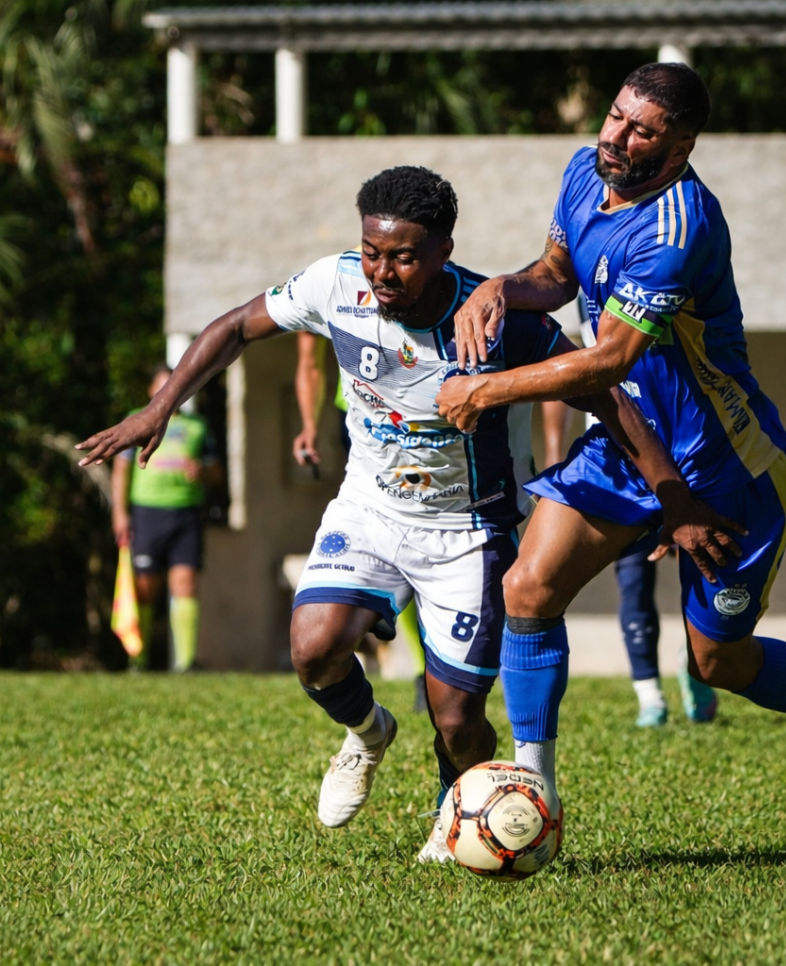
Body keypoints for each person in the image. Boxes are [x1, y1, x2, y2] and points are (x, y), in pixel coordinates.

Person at [78, 165, 686, 860]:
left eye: (403, 256)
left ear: (442, 252)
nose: (382, 271)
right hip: (368, 510)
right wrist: (160, 407)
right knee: (312, 648)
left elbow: (605, 394)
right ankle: (368, 732)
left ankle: (453, 812)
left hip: (467, 532)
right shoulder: (335, 283)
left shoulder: (498, 323)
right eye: (373, 251)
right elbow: (234, 328)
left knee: (456, 717)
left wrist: (674, 499)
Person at [436, 62, 786, 803]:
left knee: (717, 663)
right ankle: (532, 795)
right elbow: (557, 270)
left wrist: (487, 390)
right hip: (624, 446)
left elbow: (607, 358)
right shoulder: (583, 169)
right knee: (529, 587)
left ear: (680, 148)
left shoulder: (682, 224)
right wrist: (501, 288)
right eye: (615, 116)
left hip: (723, 468)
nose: (616, 136)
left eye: (642, 131)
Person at [541, 323, 717, 729]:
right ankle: (649, 695)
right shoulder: (587, 295)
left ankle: (700, 661)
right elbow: (563, 374)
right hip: (620, 466)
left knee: (703, 566)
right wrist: (554, 461)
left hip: (684, 455)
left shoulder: (665, 286)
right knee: (634, 580)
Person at [292, 330, 429, 713]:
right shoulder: (329, 282)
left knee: (423, 535)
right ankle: (421, 669)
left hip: (422, 412)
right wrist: (309, 423)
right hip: (359, 418)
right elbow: (308, 361)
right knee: (389, 539)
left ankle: (438, 663)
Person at [111, 365, 218, 672]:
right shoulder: (137, 420)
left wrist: (204, 472)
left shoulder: (198, 426)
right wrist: (120, 513)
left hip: (185, 512)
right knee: (145, 586)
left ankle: (186, 663)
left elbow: (217, 473)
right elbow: (121, 469)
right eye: (162, 387)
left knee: (185, 582)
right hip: (147, 512)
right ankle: (138, 659)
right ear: (150, 391)